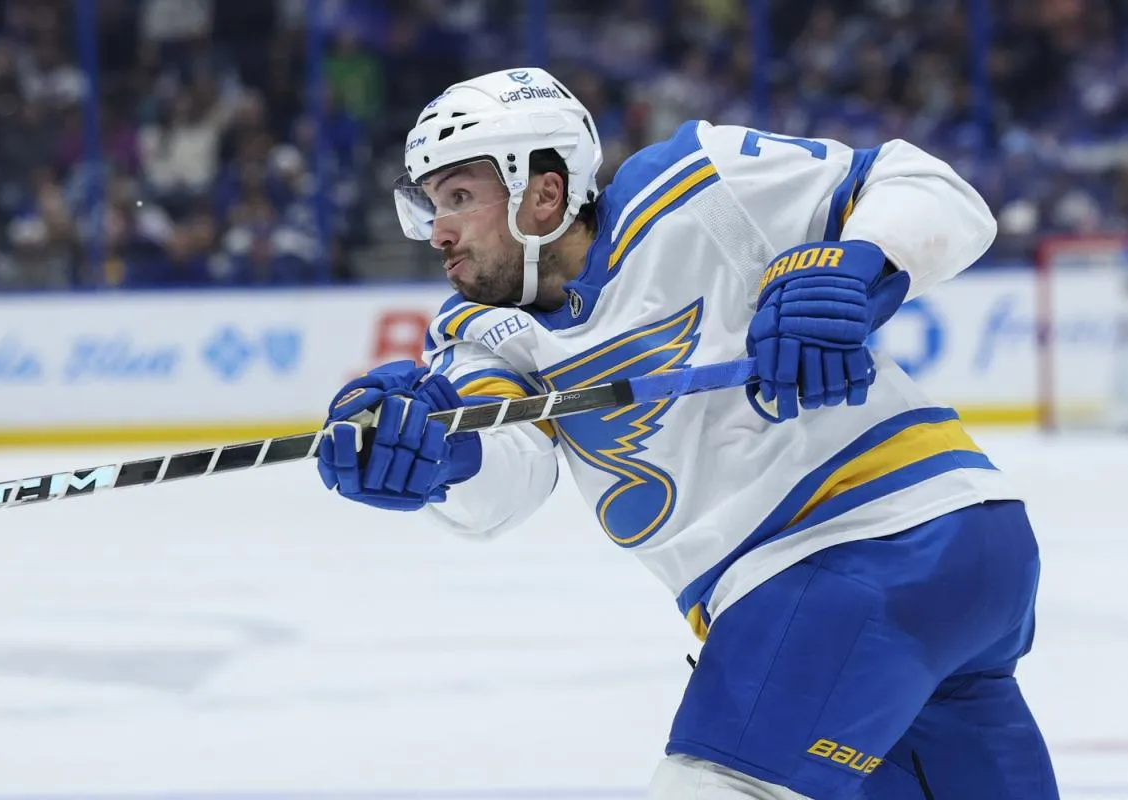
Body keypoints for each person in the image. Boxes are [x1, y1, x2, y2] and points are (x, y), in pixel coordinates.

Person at [315, 67, 1059, 799]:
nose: (435, 230)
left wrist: (855, 265)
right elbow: (502, 485)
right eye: (429, 206)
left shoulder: (693, 182)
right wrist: (435, 456)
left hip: (860, 546)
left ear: (541, 192)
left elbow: (930, 188)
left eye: (458, 197)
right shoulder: (480, 336)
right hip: (953, 562)